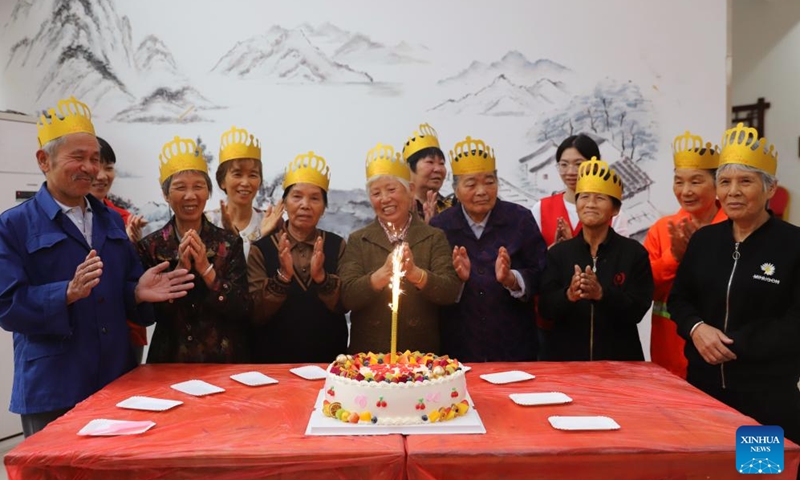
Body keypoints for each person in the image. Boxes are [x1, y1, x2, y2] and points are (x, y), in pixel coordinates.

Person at [0, 97, 194, 437]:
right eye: (78, 157)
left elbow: (126, 286)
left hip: (116, 380)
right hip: (53, 385)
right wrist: (66, 293)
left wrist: (137, 292)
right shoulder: (13, 226)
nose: (90, 168)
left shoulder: (110, 220)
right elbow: (7, 306)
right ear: (44, 160)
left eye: (94, 159)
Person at [669, 123, 800, 444]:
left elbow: (795, 321)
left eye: (746, 181)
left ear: (770, 189)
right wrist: (697, 328)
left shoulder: (793, 244)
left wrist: (733, 344)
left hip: (766, 394)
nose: (733, 191)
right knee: (706, 469)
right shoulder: (704, 241)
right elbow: (679, 300)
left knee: (760, 471)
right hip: (704, 389)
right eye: (725, 182)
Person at [430, 135, 546, 362]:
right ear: (455, 188)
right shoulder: (441, 226)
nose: (482, 191)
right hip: (458, 347)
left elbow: (542, 272)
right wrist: (458, 281)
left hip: (514, 345)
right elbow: (432, 287)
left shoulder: (520, 219)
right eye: (471, 184)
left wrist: (512, 279)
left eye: (490, 182)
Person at [339, 143, 461, 354]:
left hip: (421, 357)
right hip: (369, 357)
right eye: (376, 193)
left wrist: (416, 274)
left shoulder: (433, 237)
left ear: (410, 190)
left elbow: (450, 291)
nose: (385, 199)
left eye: (392, 189)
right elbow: (347, 297)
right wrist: (382, 274)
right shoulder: (359, 240)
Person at [137, 136, 251, 363]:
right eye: (180, 187)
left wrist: (206, 270)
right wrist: (180, 269)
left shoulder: (228, 243)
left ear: (208, 193)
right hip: (168, 360)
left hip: (221, 359)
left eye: (198, 187)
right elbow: (147, 316)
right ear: (166, 195)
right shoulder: (151, 246)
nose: (190, 196)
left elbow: (242, 308)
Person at [539, 157, 653, 361]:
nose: (590, 204)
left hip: (621, 364)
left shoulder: (634, 253)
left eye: (600, 198)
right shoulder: (558, 253)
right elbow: (545, 309)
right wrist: (569, 295)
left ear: (615, 209)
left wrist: (602, 294)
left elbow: (638, 310)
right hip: (566, 363)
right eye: (584, 197)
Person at [248, 151, 347, 363]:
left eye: (315, 198)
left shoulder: (337, 245)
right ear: (283, 204)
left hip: (327, 362)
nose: (305, 205)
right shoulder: (262, 248)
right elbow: (255, 313)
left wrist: (321, 277)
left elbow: (344, 304)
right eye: (297, 196)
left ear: (323, 208)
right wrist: (283, 276)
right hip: (272, 363)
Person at [644, 131, 727, 378]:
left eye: (696, 181)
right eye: (679, 181)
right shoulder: (662, 229)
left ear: (717, 184)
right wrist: (675, 258)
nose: (686, 191)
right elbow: (647, 288)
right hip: (669, 350)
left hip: (721, 349)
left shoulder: (734, 228)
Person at [90, 136, 150, 364]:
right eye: (97, 166)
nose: (102, 176)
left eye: (109, 167)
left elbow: (138, 278)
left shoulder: (124, 219)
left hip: (126, 330)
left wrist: (135, 245)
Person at [532, 134, 628, 247]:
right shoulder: (541, 208)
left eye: (579, 164)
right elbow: (532, 259)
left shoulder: (612, 212)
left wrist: (573, 248)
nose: (570, 172)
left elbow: (622, 258)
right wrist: (553, 253)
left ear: (595, 166)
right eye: (564, 165)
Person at [206, 126, 283, 259]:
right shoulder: (207, 222)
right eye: (237, 174)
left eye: (253, 175)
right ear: (222, 181)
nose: (245, 182)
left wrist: (262, 237)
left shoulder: (271, 222)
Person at [402, 123, 453, 223]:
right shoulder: (397, 207)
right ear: (409, 167)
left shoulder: (453, 208)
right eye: (430, 162)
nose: (438, 169)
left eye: (442, 163)